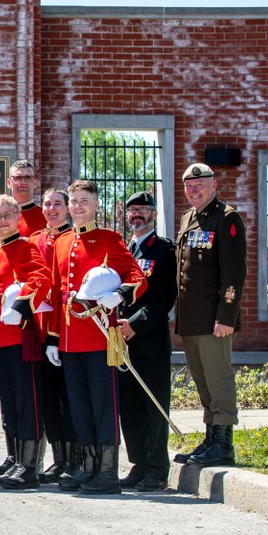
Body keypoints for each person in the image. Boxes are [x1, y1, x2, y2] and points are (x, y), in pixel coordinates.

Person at [46, 180, 145, 495]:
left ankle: (107, 472)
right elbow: (57, 292)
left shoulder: (109, 239)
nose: (77, 207)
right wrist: (52, 337)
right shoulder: (61, 242)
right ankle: (88, 467)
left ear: (96, 205)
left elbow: (137, 277)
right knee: (79, 406)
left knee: (103, 404)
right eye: (73, 201)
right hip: (70, 338)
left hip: (100, 337)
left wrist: (119, 295)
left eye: (84, 201)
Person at [174, 163, 247, 468]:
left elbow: (234, 272)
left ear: (214, 185)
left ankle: (224, 442)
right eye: (188, 186)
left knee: (219, 379)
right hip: (191, 319)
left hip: (215, 319)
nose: (193, 190)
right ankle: (211, 438)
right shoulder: (188, 218)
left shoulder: (226, 218)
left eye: (199, 184)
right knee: (203, 381)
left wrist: (226, 315)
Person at [0, 195, 52, 489]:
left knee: (27, 401)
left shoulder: (25, 246)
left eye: (8, 215)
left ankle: (29, 465)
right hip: (0, 335)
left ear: (17, 217)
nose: (2, 220)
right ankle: (14, 457)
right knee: (10, 403)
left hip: (20, 333)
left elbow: (42, 278)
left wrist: (21, 304)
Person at [117, 191, 177, 491]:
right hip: (123, 343)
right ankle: (139, 464)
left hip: (150, 342)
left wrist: (135, 325)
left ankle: (157, 469)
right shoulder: (125, 250)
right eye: (132, 211)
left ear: (154, 214)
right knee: (129, 407)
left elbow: (164, 298)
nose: (136, 215)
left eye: (142, 210)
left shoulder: (163, 250)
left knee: (153, 407)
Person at [29, 188, 76, 482]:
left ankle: (75, 459)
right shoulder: (35, 239)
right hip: (39, 330)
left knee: (68, 398)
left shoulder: (73, 238)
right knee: (48, 399)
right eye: (47, 204)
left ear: (67, 208)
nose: (51, 209)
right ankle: (58, 460)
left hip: (68, 329)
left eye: (57, 204)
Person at [0, 159, 48, 237]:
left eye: (28, 178)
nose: (23, 182)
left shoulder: (45, 216)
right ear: (8, 183)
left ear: (35, 183)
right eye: (17, 178)